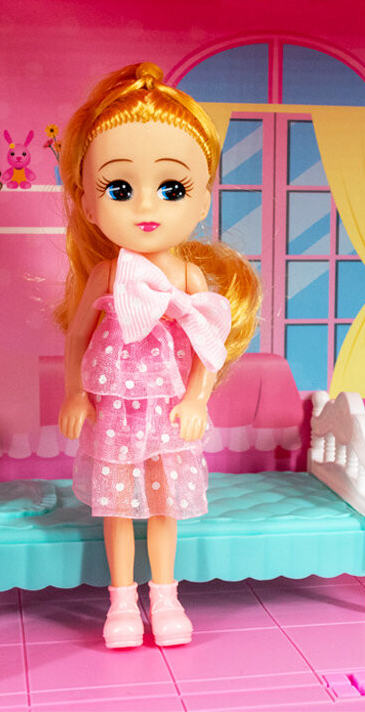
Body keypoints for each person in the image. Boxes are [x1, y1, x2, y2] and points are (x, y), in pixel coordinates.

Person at [56, 62, 260, 648]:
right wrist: (75, 392)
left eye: (171, 189)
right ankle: (122, 604)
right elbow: (76, 337)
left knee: (165, 505)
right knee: (118, 507)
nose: (146, 205)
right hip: (116, 412)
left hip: (168, 411)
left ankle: (166, 598)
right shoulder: (106, 274)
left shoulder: (189, 276)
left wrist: (197, 399)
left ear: (202, 201)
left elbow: (205, 343)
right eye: (119, 189)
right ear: (88, 204)